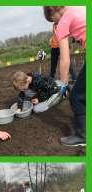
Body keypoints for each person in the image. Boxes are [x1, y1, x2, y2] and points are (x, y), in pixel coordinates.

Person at [43, 6, 86, 147]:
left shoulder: (62, 23)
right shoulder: (80, 8)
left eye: (52, 20)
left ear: (53, 11)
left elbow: (65, 59)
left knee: (77, 96)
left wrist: (63, 85)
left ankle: (83, 136)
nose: (54, 23)